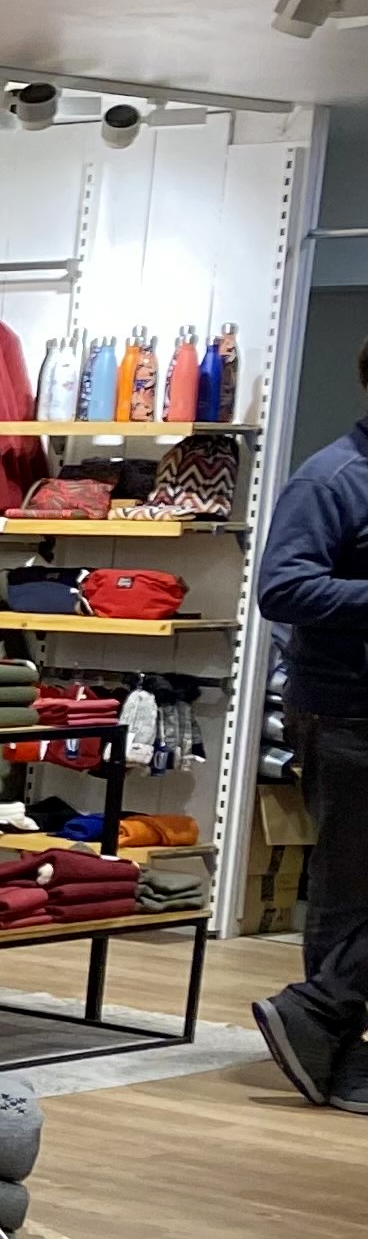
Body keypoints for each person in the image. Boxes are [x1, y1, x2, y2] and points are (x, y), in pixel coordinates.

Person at [253, 396, 368, 1110]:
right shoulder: (333, 479)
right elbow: (283, 586)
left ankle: (319, 1014)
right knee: (349, 888)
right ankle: (331, 1049)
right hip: (346, 710)